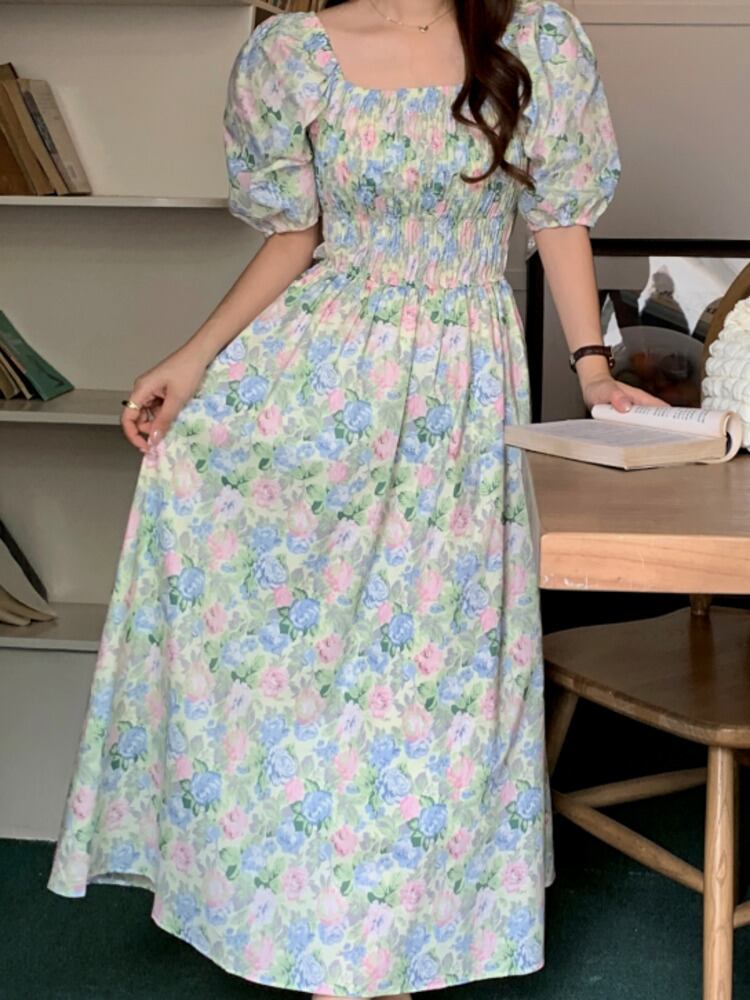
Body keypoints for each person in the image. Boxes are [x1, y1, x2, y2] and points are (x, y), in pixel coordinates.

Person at [47, 0, 665, 996]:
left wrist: (592, 368)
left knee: (432, 674)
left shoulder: (535, 39)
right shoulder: (289, 54)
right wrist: (193, 361)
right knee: (310, 670)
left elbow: (559, 217)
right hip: (324, 384)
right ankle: (303, 924)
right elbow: (294, 240)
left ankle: (399, 946)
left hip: (461, 386)